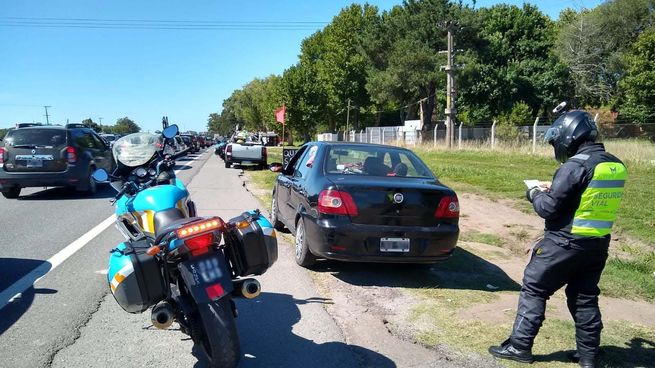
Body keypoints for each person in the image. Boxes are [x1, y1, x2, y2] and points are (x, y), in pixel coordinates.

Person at [488, 110, 627, 368]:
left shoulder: (574, 165)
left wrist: (534, 193)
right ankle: (588, 356)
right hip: (596, 244)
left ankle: (519, 347)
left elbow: (548, 209)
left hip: (563, 243)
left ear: (569, 135)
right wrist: (558, 191)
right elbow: (587, 197)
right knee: (584, 296)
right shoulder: (614, 164)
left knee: (534, 287)